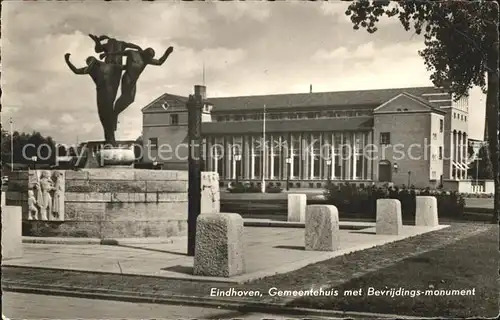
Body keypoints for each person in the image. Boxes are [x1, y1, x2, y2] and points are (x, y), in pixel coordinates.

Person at [101, 46, 174, 130]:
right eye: (148, 57)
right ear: (144, 53)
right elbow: (119, 53)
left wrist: (167, 53)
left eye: (150, 58)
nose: (148, 59)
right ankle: (113, 116)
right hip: (127, 78)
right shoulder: (132, 53)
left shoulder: (146, 59)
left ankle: (114, 113)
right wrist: (106, 54)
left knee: (130, 99)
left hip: (133, 81)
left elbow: (159, 62)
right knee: (125, 96)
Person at [64, 53, 125, 145]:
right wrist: (68, 61)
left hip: (107, 93)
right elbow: (76, 71)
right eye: (88, 63)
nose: (89, 64)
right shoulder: (93, 69)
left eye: (89, 62)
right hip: (102, 93)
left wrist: (68, 61)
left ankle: (111, 137)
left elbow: (124, 67)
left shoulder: (106, 66)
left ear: (93, 61)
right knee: (103, 116)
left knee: (107, 116)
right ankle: (110, 138)